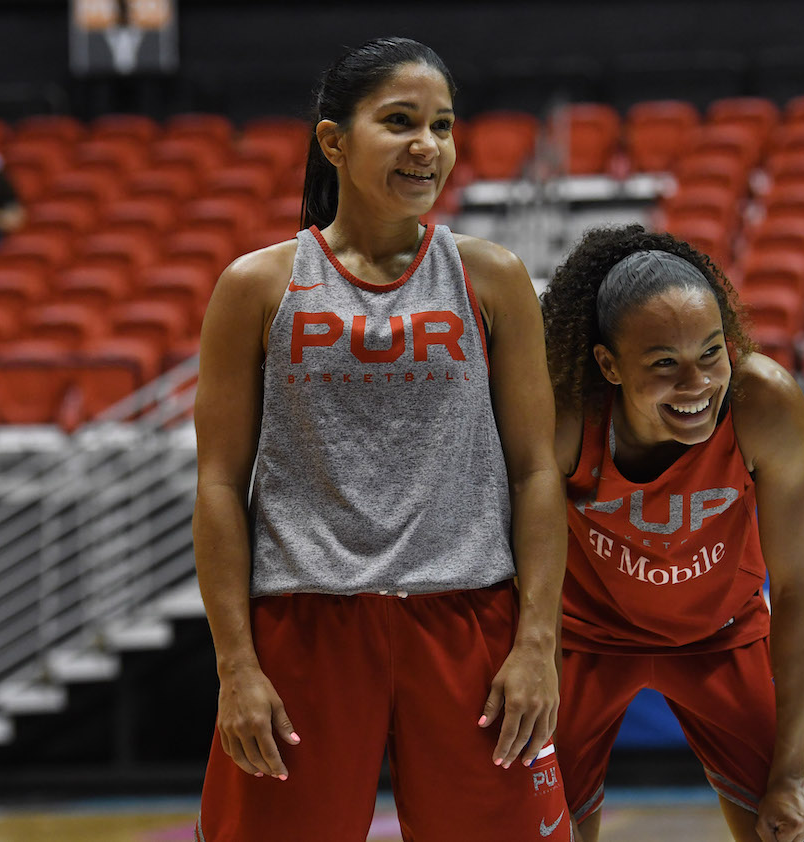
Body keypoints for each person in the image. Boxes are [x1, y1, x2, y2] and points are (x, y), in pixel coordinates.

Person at [192, 37, 571, 841]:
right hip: (305, 626)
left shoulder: (493, 277)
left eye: (442, 124)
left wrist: (538, 640)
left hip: (471, 624)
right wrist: (236, 666)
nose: (426, 146)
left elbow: (538, 471)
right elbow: (220, 486)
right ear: (334, 141)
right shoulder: (257, 286)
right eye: (399, 121)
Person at [540, 225, 804, 842]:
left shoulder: (765, 403)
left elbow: (799, 593)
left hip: (723, 638)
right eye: (663, 364)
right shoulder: (566, 415)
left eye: (710, 352)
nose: (696, 383)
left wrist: (791, 775)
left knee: (789, 828)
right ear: (607, 365)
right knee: (540, 829)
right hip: (582, 640)